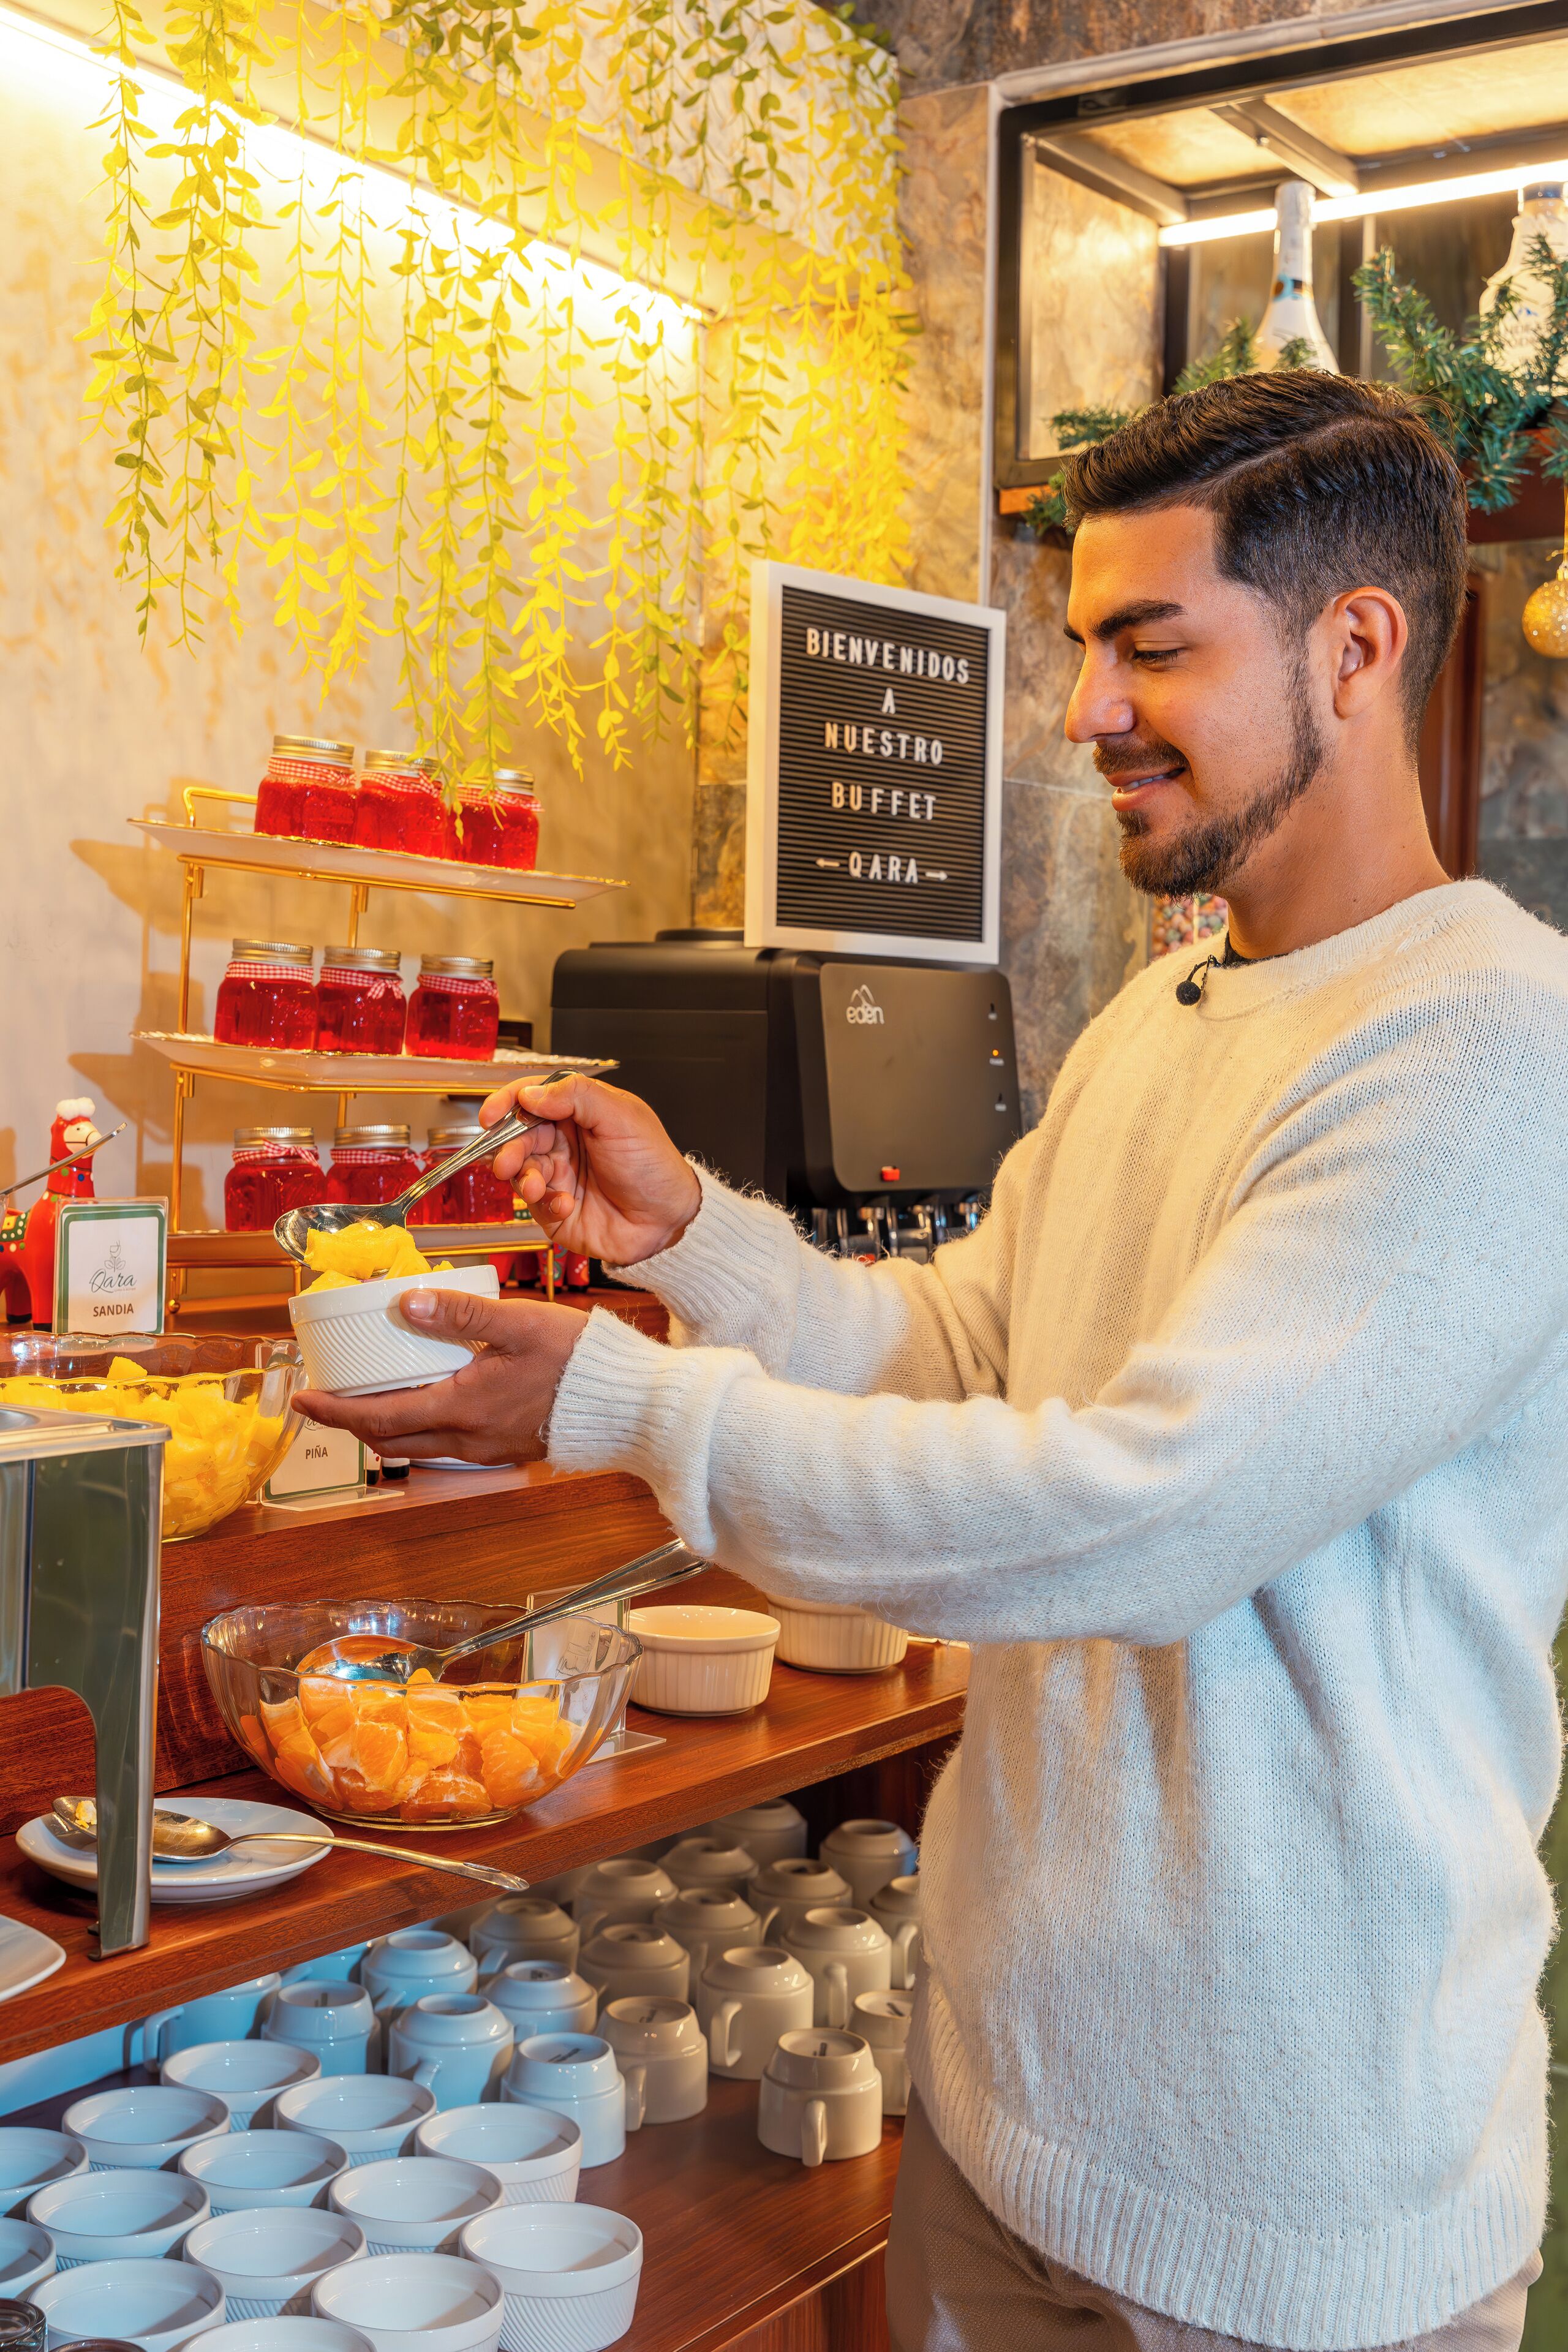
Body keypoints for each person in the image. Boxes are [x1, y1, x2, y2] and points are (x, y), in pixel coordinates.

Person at [298, 373, 1568, 2352]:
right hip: (1005, 2129)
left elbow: (1147, 1511)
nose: (1083, 713)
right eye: (1083, 647)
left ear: (1356, 646)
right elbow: (965, 1350)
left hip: (1297, 2212)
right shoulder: (1167, 1017)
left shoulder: (1489, 1046)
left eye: (1153, 645)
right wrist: (693, 1236)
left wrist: (618, 1400)